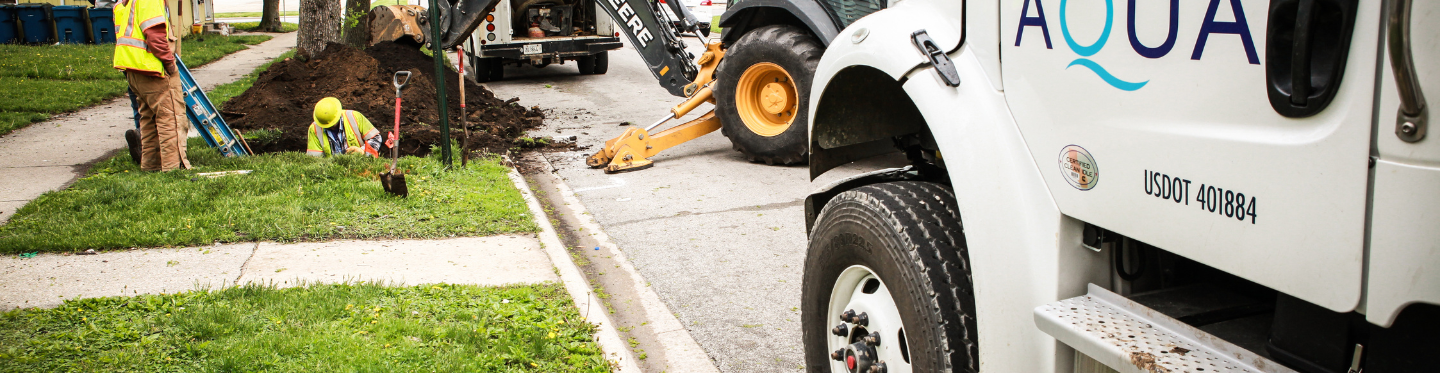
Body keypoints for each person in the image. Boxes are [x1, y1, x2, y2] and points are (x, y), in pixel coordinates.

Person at [113, 0, 189, 171]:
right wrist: (170, 64)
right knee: (171, 119)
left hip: (134, 70)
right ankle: (173, 169)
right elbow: (155, 36)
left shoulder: (125, 2)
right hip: (153, 69)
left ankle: (151, 166)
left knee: (148, 120)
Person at [306, 97, 383, 157]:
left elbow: (376, 138)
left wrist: (363, 151)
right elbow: (314, 159)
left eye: (333, 124)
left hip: (361, 166)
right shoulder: (314, 129)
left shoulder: (354, 117)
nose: (331, 128)